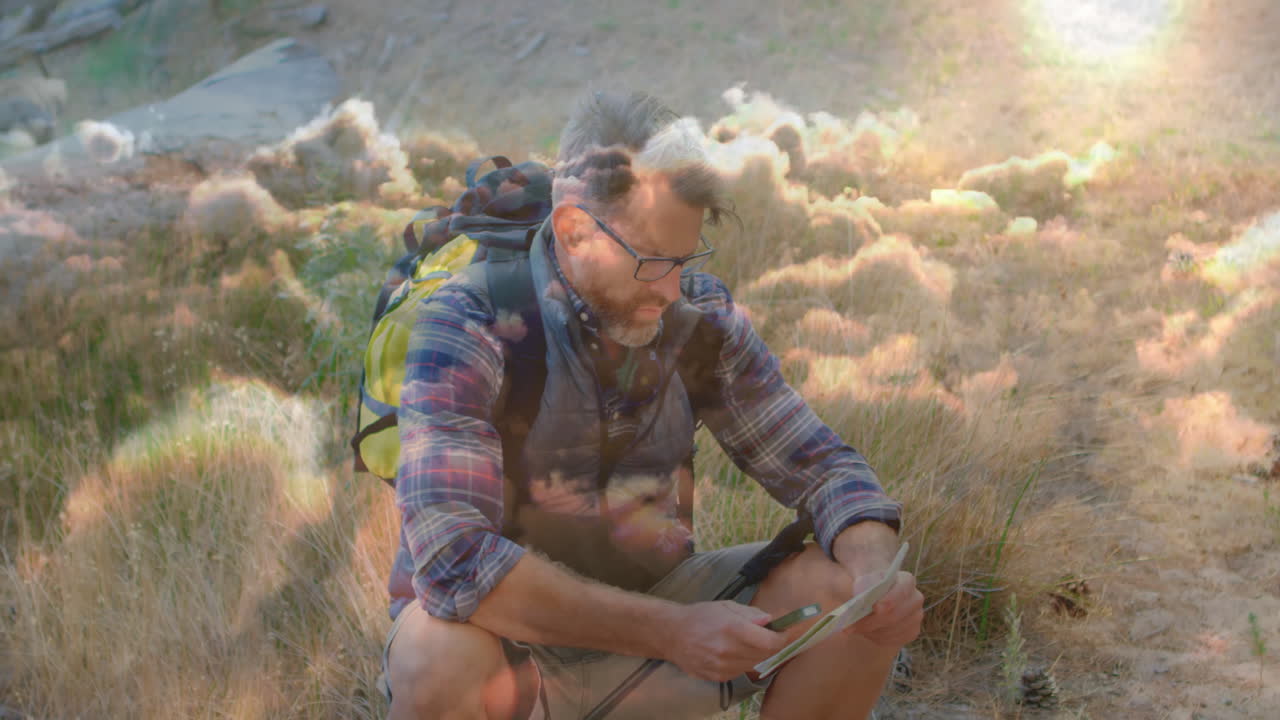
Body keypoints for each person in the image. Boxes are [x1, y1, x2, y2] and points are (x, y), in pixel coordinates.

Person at [380, 90, 923, 720]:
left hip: (654, 618)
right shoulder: (466, 321)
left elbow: (824, 468)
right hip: (508, 646)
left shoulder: (698, 316)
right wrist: (672, 632)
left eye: (683, 259)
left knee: (841, 594)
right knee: (436, 655)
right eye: (651, 261)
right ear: (574, 230)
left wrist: (874, 572)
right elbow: (454, 560)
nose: (670, 289)